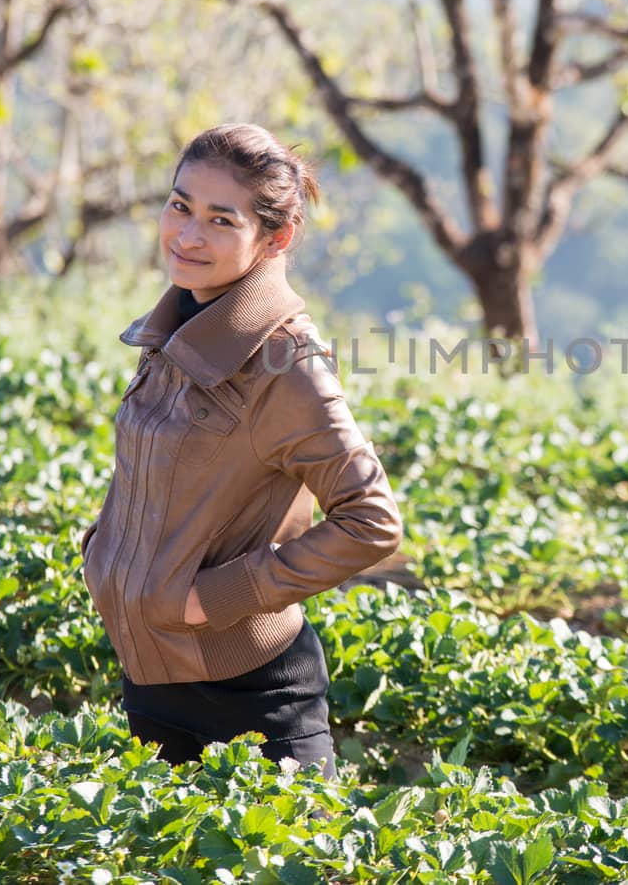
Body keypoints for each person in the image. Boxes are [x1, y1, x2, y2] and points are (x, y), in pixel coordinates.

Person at [78, 123, 404, 780]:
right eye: (180, 206)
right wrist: (104, 554)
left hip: (254, 697)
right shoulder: (180, 323)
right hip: (153, 677)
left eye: (220, 220)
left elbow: (372, 521)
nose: (187, 235)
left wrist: (212, 597)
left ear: (274, 238)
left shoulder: (284, 360)